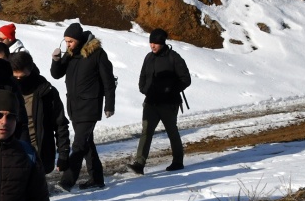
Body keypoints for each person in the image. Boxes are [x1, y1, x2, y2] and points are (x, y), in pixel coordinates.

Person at [50, 23, 117, 190]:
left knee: (79, 144)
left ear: (79, 40)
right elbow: (57, 75)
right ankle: (97, 178)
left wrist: (109, 105)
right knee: (87, 144)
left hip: (90, 106)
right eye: (66, 41)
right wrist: (56, 60)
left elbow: (108, 81)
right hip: (74, 106)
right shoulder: (71, 54)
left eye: (70, 41)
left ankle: (67, 181)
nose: (68, 45)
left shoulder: (97, 54)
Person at [131, 28, 192, 173]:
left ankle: (178, 161)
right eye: (151, 42)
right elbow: (142, 77)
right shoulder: (148, 57)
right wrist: (144, 89)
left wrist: (170, 90)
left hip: (169, 103)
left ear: (163, 43)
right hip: (151, 102)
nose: (152, 46)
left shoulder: (174, 57)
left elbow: (186, 79)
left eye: (156, 43)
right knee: (146, 131)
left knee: (172, 131)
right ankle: (139, 164)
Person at [10, 51, 70, 173]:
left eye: (22, 77)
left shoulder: (46, 93)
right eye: (15, 77)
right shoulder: (6, 91)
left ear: (30, 70)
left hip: (38, 155)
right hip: (12, 154)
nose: (19, 81)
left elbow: (60, 124)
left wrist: (63, 153)